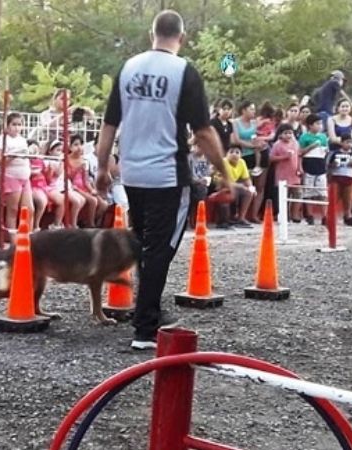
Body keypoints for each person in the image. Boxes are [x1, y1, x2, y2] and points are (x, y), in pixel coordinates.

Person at [95, 10, 233, 350]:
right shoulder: (184, 71)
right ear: (181, 38)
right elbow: (203, 131)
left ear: (151, 34)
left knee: (145, 243)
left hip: (132, 172)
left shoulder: (128, 68)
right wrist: (225, 171)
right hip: (167, 175)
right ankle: (145, 327)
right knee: (160, 247)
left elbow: (109, 125)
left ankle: (149, 307)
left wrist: (101, 167)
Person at [0, 112, 34, 231]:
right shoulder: (2, 140)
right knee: (13, 210)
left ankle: (29, 239)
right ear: (7, 125)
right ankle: (13, 242)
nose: (17, 127)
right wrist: (14, 155)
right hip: (10, 176)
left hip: (24, 177)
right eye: (14, 124)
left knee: (29, 209)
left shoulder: (22, 140)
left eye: (19, 124)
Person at [67, 134, 108, 226]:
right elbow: (69, 177)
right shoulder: (66, 159)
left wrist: (92, 190)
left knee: (104, 204)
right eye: (76, 145)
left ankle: (87, 222)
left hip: (84, 186)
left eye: (81, 144)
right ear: (70, 147)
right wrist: (77, 168)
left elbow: (86, 180)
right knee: (93, 201)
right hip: (74, 187)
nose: (79, 147)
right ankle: (90, 224)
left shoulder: (84, 161)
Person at [44, 140, 85, 228]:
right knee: (76, 201)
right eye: (58, 150)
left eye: (61, 150)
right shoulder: (49, 161)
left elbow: (68, 176)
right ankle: (67, 224)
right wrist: (62, 162)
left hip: (65, 185)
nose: (60, 153)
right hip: (56, 187)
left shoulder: (61, 161)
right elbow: (56, 175)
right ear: (50, 151)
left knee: (82, 200)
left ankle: (70, 221)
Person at [299, 113, 328, 225]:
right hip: (309, 165)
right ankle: (310, 215)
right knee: (309, 191)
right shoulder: (304, 137)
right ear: (310, 125)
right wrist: (311, 146)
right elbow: (301, 152)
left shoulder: (323, 137)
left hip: (320, 165)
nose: (320, 126)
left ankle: (324, 215)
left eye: (321, 123)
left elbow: (325, 150)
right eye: (317, 123)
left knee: (322, 193)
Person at [270, 123, 302, 223]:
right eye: (286, 133)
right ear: (280, 134)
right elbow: (271, 158)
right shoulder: (277, 145)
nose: (288, 135)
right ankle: (284, 214)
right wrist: (284, 157)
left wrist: (300, 167)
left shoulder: (295, 143)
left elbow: (299, 155)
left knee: (297, 194)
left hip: (294, 173)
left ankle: (295, 214)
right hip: (283, 174)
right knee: (284, 195)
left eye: (290, 133)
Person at [218, 145, 255, 227]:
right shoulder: (223, 162)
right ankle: (224, 220)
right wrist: (240, 186)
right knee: (227, 193)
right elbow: (223, 181)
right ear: (226, 154)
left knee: (249, 192)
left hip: (234, 186)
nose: (234, 154)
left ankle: (241, 218)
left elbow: (246, 179)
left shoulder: (242, 162)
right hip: (220, 186)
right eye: (231, 152)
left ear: (241, 155)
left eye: (237, 152)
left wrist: (251, 188)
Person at [328, 133, 352, 226]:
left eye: (351, 142)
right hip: (336, 177)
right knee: (334, 197)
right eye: (347, 142)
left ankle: (348, 215)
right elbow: (328, 165)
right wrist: (334, 164)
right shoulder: (335, 153)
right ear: (341, 143)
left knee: (348, 199)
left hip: (349, 177)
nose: (349, 144)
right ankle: (330, 215)